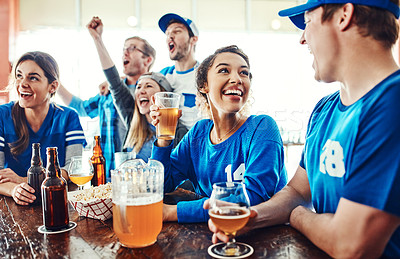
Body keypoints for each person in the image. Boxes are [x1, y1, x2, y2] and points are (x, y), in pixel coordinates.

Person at [207, 1, 400, 258]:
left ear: (345, 15)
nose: (302, 39)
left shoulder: (392, 102)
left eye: (307, 22)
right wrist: (252, 218)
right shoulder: (325, 110)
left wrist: (296, 215)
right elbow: (298, 191)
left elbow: (351, 245)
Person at [151, 45, 288, 223]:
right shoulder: (198, 133)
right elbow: (160, 185)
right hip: (214, 233)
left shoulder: (262, 127)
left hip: (269, 238)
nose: (237, 79)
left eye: (244, 73)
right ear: (204, 86)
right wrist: (163, 137)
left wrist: (171, 212)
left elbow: (253, 197)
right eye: (224, 70)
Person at [57, 17, 156, 179]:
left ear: (148, 59)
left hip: (135, 175)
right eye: (124, 48)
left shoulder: (152, 96)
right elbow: (81, 108)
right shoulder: (108, 92)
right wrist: (55, 83)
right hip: (106, 171)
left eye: (132, 48)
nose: (125, 52)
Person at [0, 51, 86, 205]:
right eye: (19, 76)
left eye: (33, 78)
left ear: (52, 86)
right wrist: (14, 189)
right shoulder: (2, 115)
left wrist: (24, 180)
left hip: (57, 201)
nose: (22, 84)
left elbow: (74, 169)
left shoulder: (68, 117)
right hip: (13, 203)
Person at [158, 13, 202, 143]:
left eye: (177, 31)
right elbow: (137, 88)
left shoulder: (207, 74)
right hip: (174, 147)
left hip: (202, 146)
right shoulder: (163, 76)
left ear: (193, 39)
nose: (170, 36)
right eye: (167, 33)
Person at [114, 71, 172, 161]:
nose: (141, 91)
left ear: (163, 95)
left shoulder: (178, 132)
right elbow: (115, 85)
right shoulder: (132, 121)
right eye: (138, 87)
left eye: (148, 86)